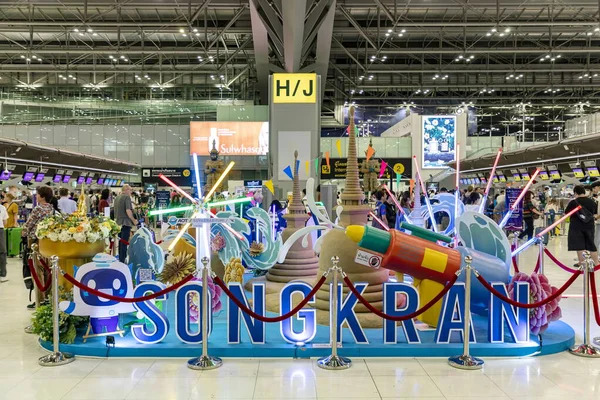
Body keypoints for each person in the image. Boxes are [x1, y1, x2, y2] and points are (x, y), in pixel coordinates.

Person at [22, 187, 56, 306]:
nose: (36, 196)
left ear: (42, 196)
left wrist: (23, 233)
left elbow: (29, 224)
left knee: (38, 271)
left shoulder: (38, 209)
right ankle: (48, 297)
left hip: (37, 242)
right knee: (48, 270)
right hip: (48, 243)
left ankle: (40, 299)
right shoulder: (52, 209)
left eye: (37, 195)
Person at [566, 185, 599, 267]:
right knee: (591, 244)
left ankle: (582, 262)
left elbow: (566, 212)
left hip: (576, 226)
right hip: (589, 225)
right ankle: (596, 262)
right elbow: (594, 213)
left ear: (575, 193)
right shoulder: (592, 201)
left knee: (579, 244)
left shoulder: (574, 202)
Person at [114, 184, 138, 263]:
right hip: (125, 222)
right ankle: (122, 260)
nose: (131, 192)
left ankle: (121, 258)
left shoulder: (117, 197)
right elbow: (128, 210)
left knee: (121, 242)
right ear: (126, 190)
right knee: (124, 242)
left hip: (118, 223)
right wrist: (133, 220)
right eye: (130, 190)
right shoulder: (127, 197)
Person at [0, 200, 7, 282]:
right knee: (2, 252)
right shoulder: (2, 208)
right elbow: (5, 221)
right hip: (0, 230)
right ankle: (3, 274)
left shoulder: (3, 208)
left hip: (1, 229)